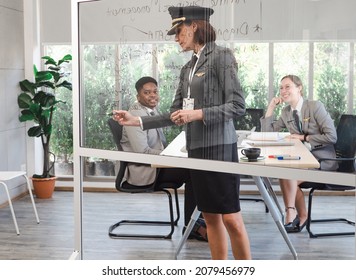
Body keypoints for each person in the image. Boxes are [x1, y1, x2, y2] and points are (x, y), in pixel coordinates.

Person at [114, 6, 251, 260]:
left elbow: (237, 106)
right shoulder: (187, 69)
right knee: (210, 217)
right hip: (196, 148)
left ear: (194, 26)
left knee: (231, 218)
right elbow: (175, 114)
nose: (176, 38)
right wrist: (136, 121)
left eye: (178, 31)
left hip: (220, 148)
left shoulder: (221, 57)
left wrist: (198, 113)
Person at [120, 76, 207, 241]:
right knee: (194, 171)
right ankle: (193, 227)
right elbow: (142, 152)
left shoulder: (152, 111)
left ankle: (199, 222)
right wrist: (171, 157)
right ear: (138, 96)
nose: (153, 96)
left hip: (157, 165)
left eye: (155, 91)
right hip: (144, 171)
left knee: (195, 167)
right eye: (147, 93)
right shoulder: (135, 115)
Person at [261, 74, 338, 233]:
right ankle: (296, 214)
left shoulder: (315, 106)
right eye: (281, 87)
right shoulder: (286, 112)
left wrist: (304, 137)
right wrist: (271, 107)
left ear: (299, 88)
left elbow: (332, 136)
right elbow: (266, 133)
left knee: (288, 175)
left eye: (287, 86)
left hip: (322, 160)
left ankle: (292, 213)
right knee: (285, 172)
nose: (283, 90)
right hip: (302, 159)